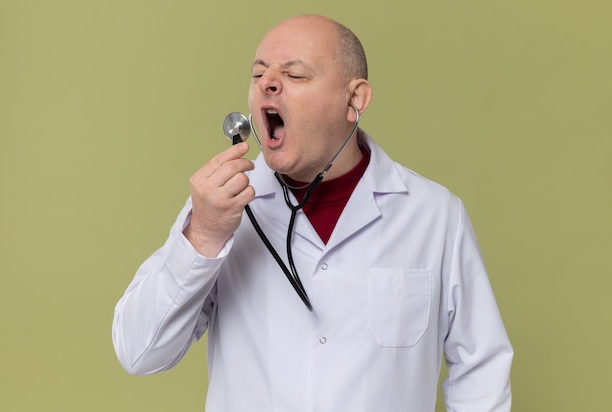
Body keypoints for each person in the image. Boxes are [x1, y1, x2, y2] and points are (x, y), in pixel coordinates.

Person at [112, 14, 513, 412]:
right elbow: (140, 352)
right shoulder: (220, 207)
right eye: (258, 75)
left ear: (354, 100)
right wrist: (203, 235)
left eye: (295, 75)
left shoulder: (434, 215)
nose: (268, 83)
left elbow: (481, 369)